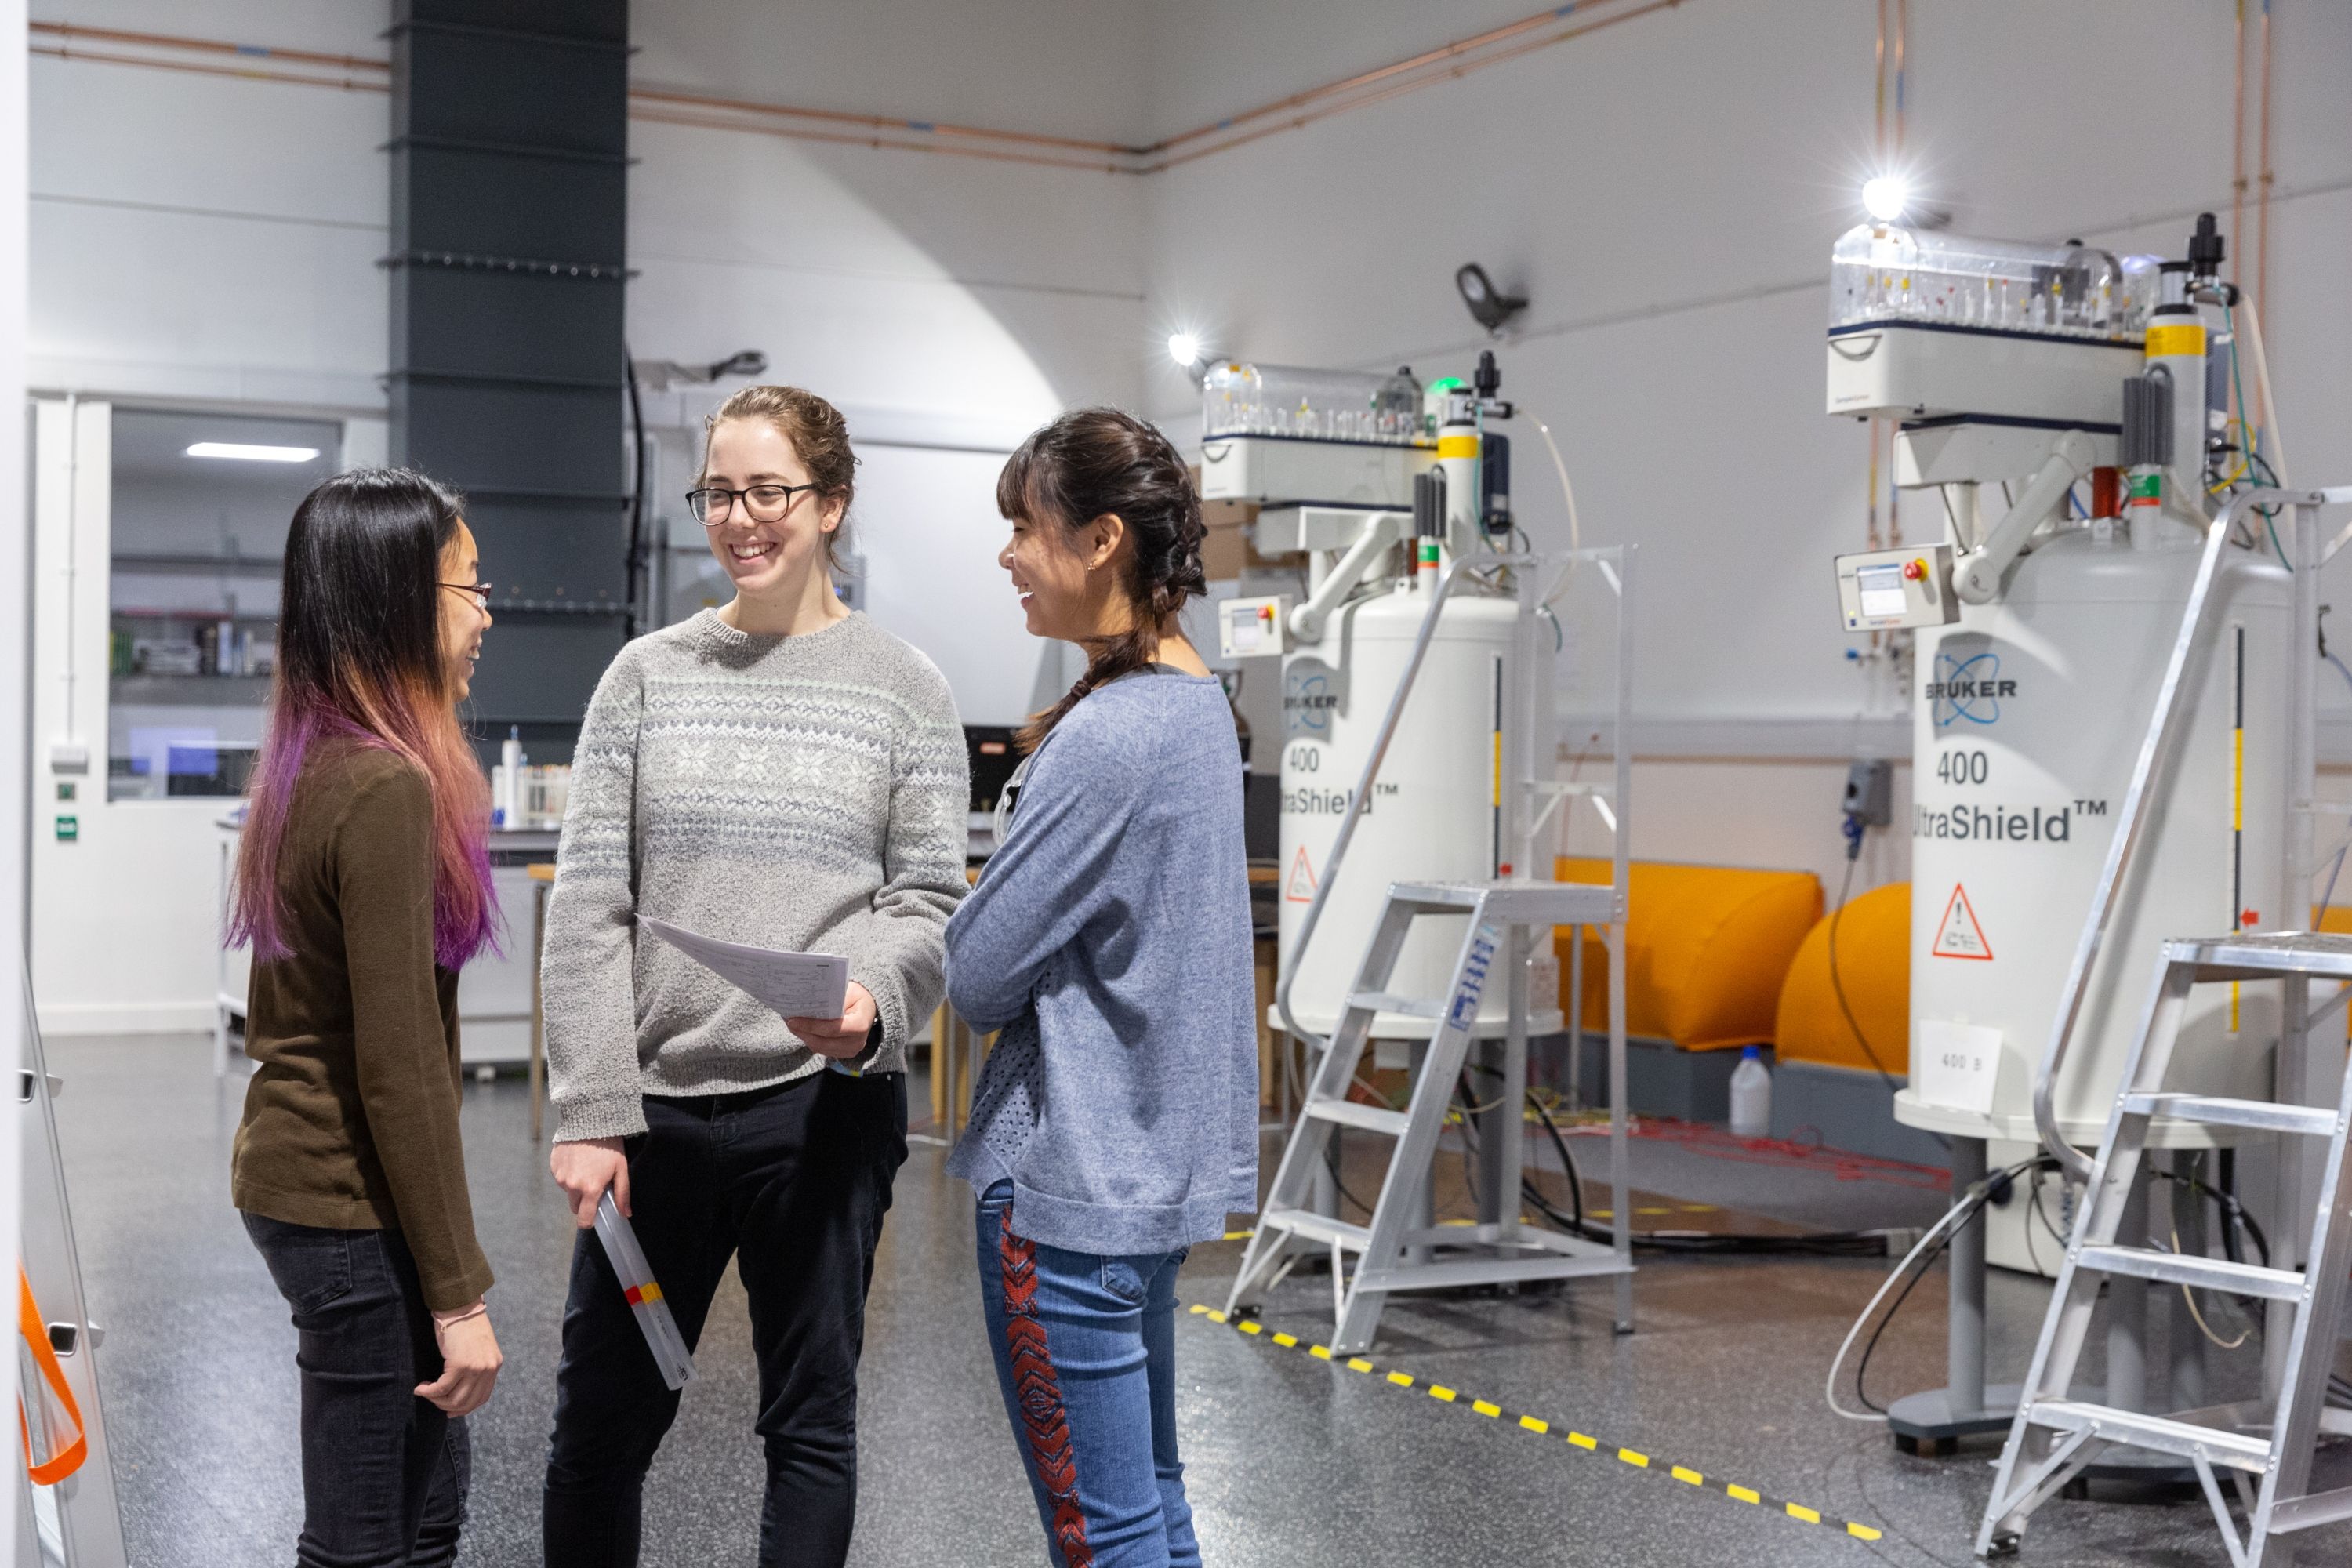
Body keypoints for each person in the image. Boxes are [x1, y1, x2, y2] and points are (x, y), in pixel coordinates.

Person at [539, 384, 969, 1567]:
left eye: (769, 491)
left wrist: (874, 998)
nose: (742, 518)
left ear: (830, 503)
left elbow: (926, 900)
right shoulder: (645, 677)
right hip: (658, 1118)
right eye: (720, 493)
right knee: (600, 1431)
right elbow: (589, 903)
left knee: (811, 1424)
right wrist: (590, 1108)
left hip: (820, 1116)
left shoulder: (907, 689)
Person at [945, 408, 1258, 1567]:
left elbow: (979, 975)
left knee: (1102, 1533)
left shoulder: (1111, 736)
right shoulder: (1195, 708)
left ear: (1102, 541)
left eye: (1026, 528)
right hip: (1148, 1171)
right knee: (1151, 1508)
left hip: (1066, 1182)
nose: (1008, 556)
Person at [228, 468, 503, 1568]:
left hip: (307, 1182)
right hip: (344, 1203)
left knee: (423, 1514)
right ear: (397, 599)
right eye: (468, 587)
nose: (484, 614)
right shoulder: (385, 785)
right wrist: (460, 1297)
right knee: (367, 1539)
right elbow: (402, 1069)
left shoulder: (315, 762)